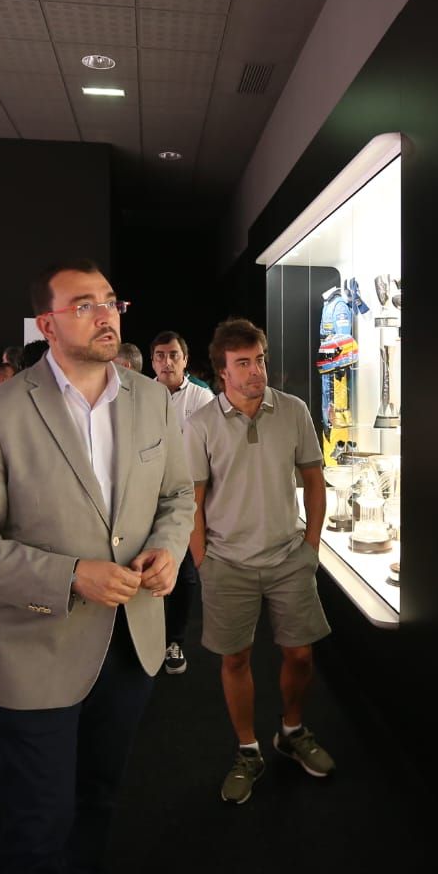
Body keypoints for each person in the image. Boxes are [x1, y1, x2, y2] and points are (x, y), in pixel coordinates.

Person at [0, 259, 194, 874]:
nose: (105, 314)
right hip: (36, 650)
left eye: (110, 301)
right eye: (84, 304)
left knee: (99, 800)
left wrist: (165, 547)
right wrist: (70, 574)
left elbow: (178, 496)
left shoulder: (151, 400)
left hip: (131, 643)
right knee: (38, 822)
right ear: (47, 324)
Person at [186, 318, 334, 805]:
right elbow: (193, 499)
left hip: (289, 556)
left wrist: (311, 547)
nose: (255, 372)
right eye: (243, 364)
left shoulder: (291, 410)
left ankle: (291, 731)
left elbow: (313, 479)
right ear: (222, 372)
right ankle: (248, 749)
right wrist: (203, 560)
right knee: (235, 658)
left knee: (301, 654)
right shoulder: (202, 424)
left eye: (260, 360)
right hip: (227, 561)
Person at [148, 331, 214, 675]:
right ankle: (147, 641)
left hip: (186, 496)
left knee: (184, 572)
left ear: (185, 359)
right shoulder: (139, 395)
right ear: (152, 360)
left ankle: (174, 640)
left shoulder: (203, 398)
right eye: (160, 355)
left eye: (173, 354)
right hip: (144, 497)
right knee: (144, 569)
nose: (167, 361)